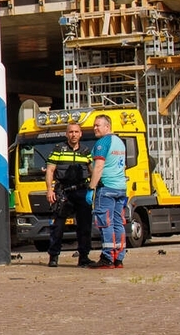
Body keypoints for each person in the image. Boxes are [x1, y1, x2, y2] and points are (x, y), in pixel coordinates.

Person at [44, 120, 94, 268]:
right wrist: (49, 189)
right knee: (58, 226)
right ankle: (53, 256)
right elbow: (50, 170)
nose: (73, 135)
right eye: (71, 132)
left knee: (85, 226)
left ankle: (84, 257)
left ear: (81, 134)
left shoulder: (86, 151)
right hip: (63, 192)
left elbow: (93, 171)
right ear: (66, 134)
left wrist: (94, 189)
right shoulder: (58, 149)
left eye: (76, 132)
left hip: (81, 190)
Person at [87, 113, 129, 268]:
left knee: (105, 223)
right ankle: (119, 258)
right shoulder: (119, 142)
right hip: (120, 188)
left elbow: (99, 167)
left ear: (107, 126)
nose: (95, 128)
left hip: (106, 188)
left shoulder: (103, 142)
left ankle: (107, 258)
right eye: (94, 125)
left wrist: (91, 188)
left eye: (98, 125)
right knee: (118, 222)